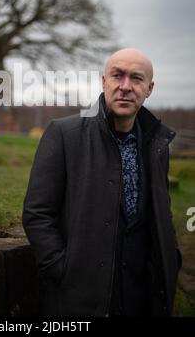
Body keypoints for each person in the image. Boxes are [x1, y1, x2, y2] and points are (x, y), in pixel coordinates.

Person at [22, 48, 182, 317]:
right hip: (82, 297)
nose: (125, 87)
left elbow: (161, 211)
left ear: (149, 88)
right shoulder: (64, 134)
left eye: (136, 78)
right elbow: (37, 214)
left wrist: (170, 264)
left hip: (142, 295)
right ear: (103, 81)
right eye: (117, 76)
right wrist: (62, 268)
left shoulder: (157, 144)